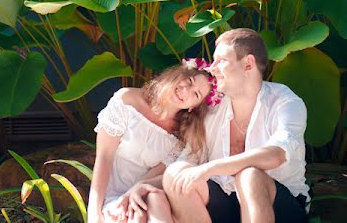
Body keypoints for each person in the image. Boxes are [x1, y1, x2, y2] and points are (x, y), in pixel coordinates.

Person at [162, 29, 309, 223]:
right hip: (227, 201)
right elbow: (188, 159)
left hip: (280, 207)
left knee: (249, 176)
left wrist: (209, 168)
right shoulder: (213, 109)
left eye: (221, 60)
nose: (212, 68)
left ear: (248, 64)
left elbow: (276, 154)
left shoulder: (285, 102)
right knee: (176, 174)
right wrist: (141, 186)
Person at [88, 61, 220, 223]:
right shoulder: (127, 100)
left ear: (194, 106)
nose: (185, 91)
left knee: (152, 201)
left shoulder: (183, 133)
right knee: (144, 209)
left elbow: (151, 180)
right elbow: (104, 158)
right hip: (112, 196)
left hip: (147, 195)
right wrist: (94, 214)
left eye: (196, 94)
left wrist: (130, 197)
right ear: (180, 74)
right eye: (189, 81)